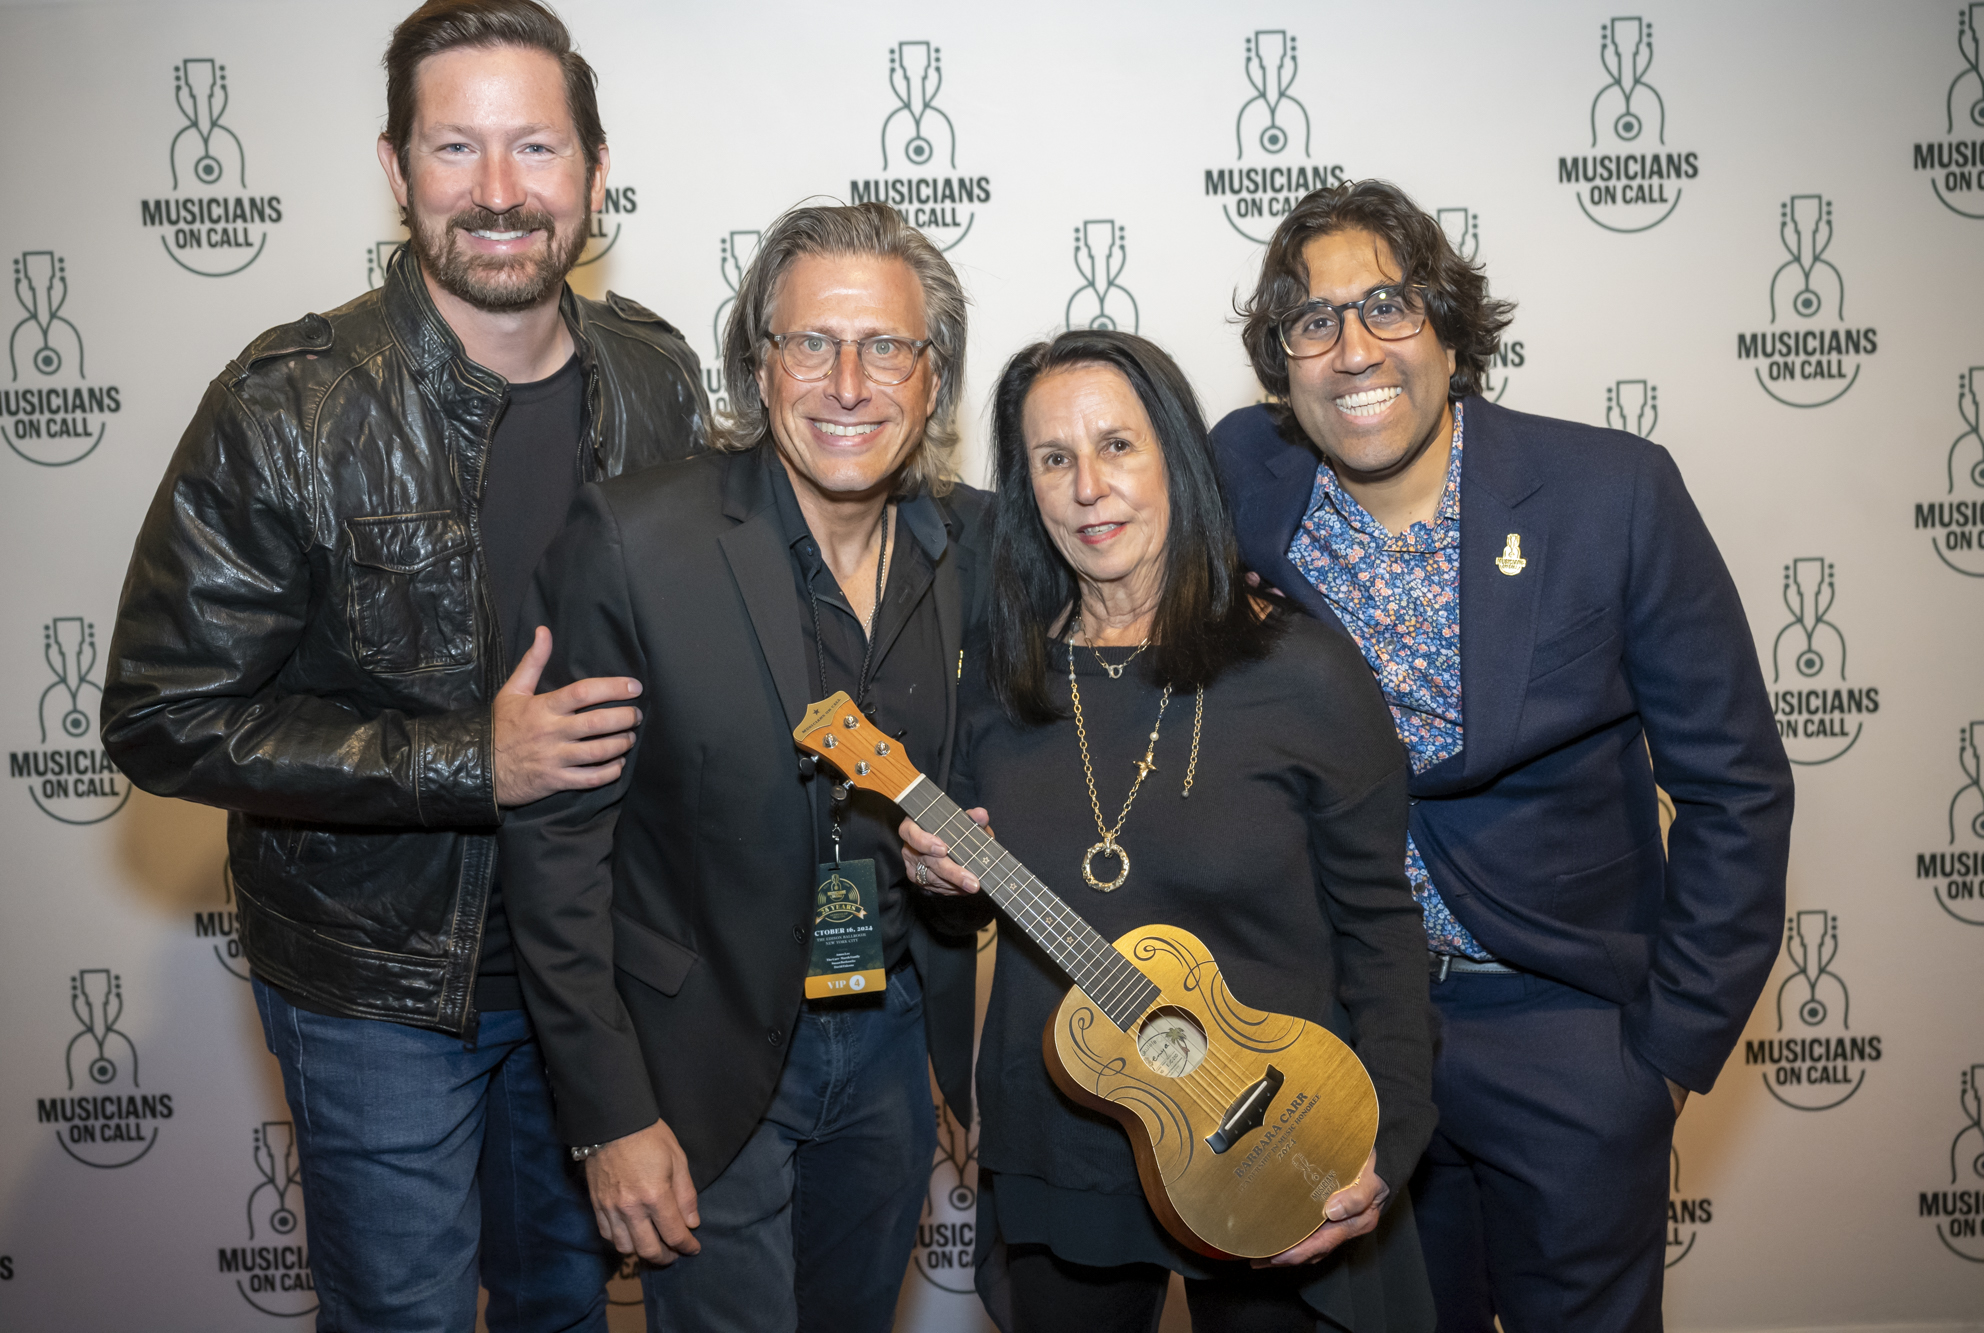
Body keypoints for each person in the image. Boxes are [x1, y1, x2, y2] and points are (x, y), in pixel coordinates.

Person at [99, 2, 705, 1327]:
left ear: (597, 174)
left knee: (564, 1311)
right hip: (378, 992)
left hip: (593, 986)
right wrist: (470, 760)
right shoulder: (288, 405)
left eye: (536, 149)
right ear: (395, 171)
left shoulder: (658, 380)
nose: (498, 194)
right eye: (455, 151)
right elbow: (160, 715)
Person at [1211, 179, 1794, 1331]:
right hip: (1346, 1038)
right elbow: (1085, 541)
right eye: (1310, 322)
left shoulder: (1609, 495)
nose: (1352, 348)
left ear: (1446, 323)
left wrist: (1660, 1059)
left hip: (1566, 1031)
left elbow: (1734, 788)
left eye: (1386, 305)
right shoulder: (1242, 479)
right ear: (1280, 366)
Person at [497, 200, 990, 1333]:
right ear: (758, 368)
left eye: (887, 348)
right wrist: (609, 1114)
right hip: (697, 1060)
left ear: (932, 376)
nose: (848, 384)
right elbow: (557, 858)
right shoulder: (633, 542)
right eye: (811, 343)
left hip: (887, 1048)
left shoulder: (976, 547)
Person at [901, 329, 1437, 1333]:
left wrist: (1390, 1136)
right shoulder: (997, 682)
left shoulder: (1302, 672)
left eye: (1116, 446)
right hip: (1065, 1152)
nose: (1085, 487)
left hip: (1278, 1143)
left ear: (1175, 462)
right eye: (1051, 459)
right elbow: (952, 910)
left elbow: (1379, 926)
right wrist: (929, 883)